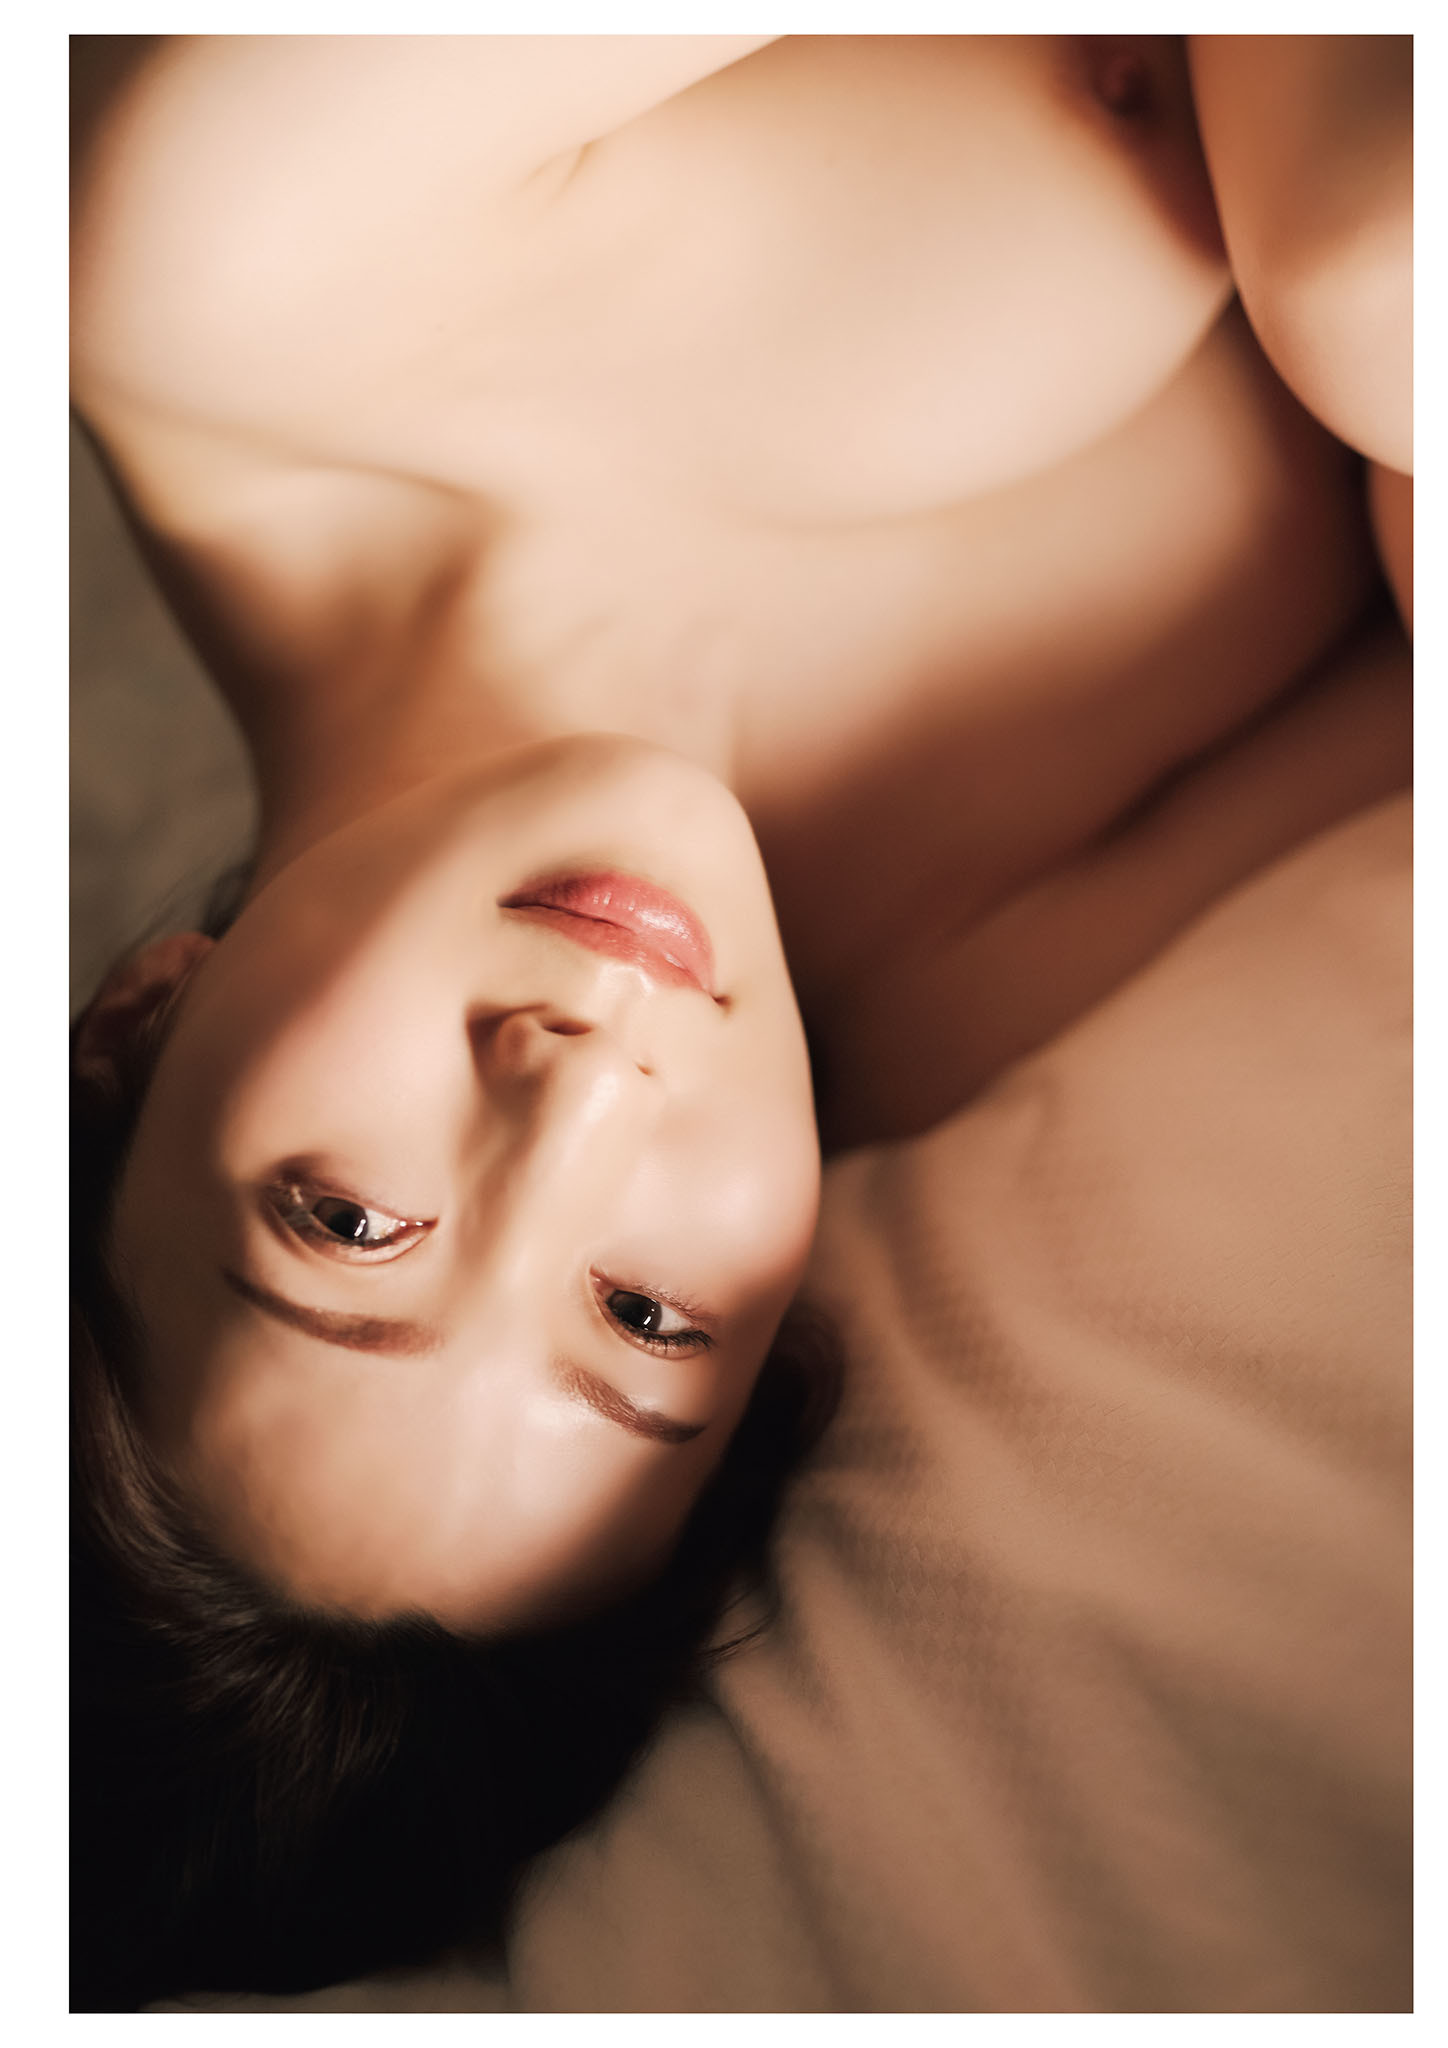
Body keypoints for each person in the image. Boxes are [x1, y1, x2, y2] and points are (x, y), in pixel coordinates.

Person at [69, 33, 1411, 2011]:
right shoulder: (949, 995)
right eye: (643, 1319)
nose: (587, 1096)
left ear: (131, 1029)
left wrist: (1349, 262)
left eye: (347, 1223)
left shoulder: (232, 277)